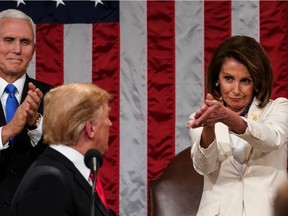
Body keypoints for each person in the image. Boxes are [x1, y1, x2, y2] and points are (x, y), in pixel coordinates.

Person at [186, 35, 288, 216]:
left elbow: (272, 139)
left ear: (256, 81)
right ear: (218, 79)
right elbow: (204, 167)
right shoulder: (201, 117)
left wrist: (229, 118)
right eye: (229, 78)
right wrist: (209, 127)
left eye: (245, 81)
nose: (236, 90)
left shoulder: (278, 108)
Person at [10, 82, 116, 216]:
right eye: (106, 116)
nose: (110, 124)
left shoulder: (67, 172)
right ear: (90, 128)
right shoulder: (49, 181)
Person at [0, 9, 52, 215]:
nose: (17, 49)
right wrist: (6, 132)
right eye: (8, 40)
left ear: (34, 49)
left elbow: (66, 161)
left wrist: (35, 125)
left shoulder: (55, 97)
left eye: (25, 42)